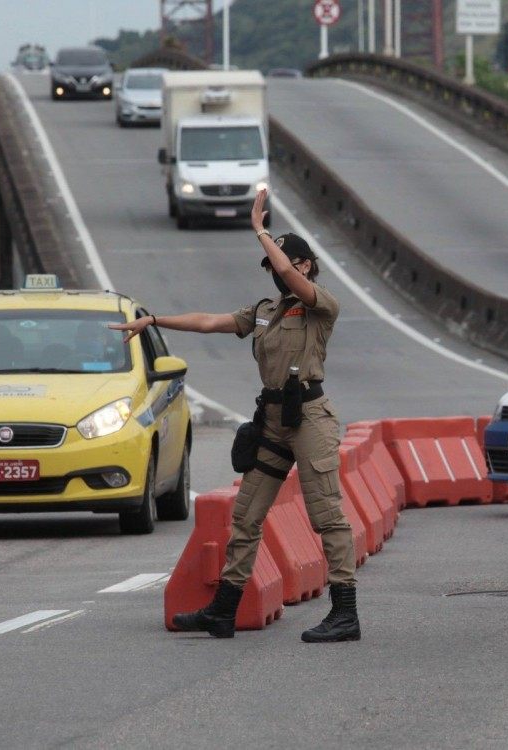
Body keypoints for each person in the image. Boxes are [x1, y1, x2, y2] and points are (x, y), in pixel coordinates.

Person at [109, 187, 360, 643]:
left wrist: (260, 229)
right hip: (274, 421)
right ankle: (224, 610)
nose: (274, 273)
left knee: (326, 513)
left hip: (309, 417)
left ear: (304, 266)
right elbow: (210, 321)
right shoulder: (265, 312)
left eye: (281, 265)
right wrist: (155, 321)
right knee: (246, 515)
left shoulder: (320, 304)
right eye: (269, 268)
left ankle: (345, 612)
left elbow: (288, 272)